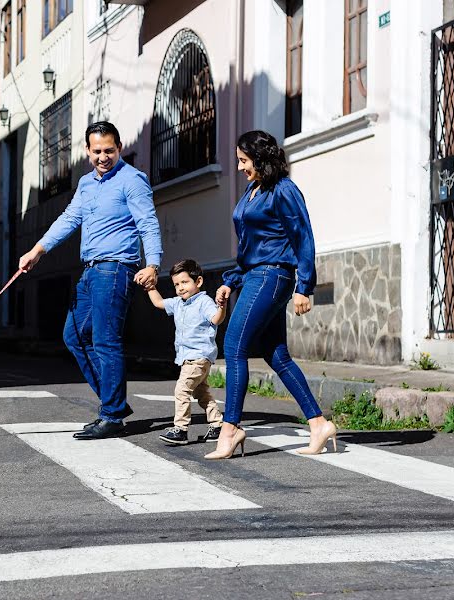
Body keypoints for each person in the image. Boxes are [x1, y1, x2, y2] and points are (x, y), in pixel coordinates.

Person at [18, 121, 163, 440]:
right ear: (87, 151)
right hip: (90, 270)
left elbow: (148, 224)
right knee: (74, 336)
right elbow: (70, 218)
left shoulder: (132, 181)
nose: (103, 157)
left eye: (109, 150)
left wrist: (153, 264)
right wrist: (37, 250)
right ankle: (116, 404)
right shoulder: (86, 183)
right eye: (96, 151)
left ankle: (111, 414)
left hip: (115, 269)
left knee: (105, 340)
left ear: (119, 147)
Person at [207, 130, 337, 459]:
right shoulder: (253, 190)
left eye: (243, 161)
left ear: (260, 160)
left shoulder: (283, 190)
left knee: (234, 344)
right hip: (254, 275)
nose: (239, 167)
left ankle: (231, 426)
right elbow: (249, 246)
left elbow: (302, 236)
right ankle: (319, 423)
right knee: (276, 354)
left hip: (273, 275)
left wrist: (304, 286)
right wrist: (231, 279)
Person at [144, 259, 225, 446]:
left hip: (199, 356)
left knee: (182, 390)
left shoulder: (204, 301)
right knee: (202, 394)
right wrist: (150, 287)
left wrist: (222, 306)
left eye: (185, 282)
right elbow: (158, 302)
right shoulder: (179, 303)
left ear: (198, 282)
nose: (180, 288)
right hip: (188, 358)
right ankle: (217, 425)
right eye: (176, 284)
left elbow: (216, 319)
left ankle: (180, 429)